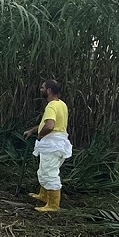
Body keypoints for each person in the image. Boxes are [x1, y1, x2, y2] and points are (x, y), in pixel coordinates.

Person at [23, 79, 72, 213]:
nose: (41, 90)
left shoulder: (51, 106)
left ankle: (53, 205)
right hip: (59, 143)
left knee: (49, 173)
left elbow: (49, 126)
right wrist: (33, 130)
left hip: (52, 144)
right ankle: (44, 196)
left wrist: (40, 136)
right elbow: (48, 124)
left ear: (49, 90)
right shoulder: (61, 104)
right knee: (44, 169)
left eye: (43, 88)